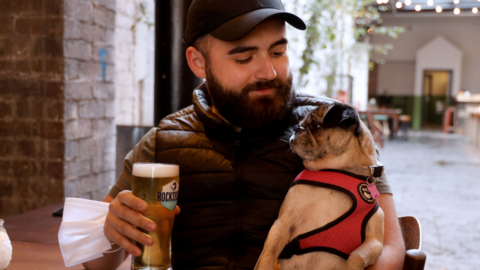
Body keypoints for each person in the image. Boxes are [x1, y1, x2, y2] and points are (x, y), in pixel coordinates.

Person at [83, 0, 405, 269]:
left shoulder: (332, 129)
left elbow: (390, 248)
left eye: (278, 52)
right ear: (198, 62)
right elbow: (97, 263)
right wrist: (110, 233)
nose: (268, 71)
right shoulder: (163, 142)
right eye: (244, 57)